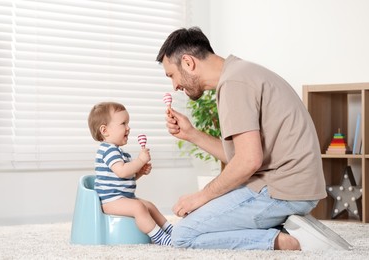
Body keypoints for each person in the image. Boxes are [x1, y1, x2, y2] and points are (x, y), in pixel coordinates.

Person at [156, 27, 351, 251]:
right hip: (290, 186)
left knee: (183, 234)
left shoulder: (233, 84)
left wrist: (201, 197)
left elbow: (249, 161)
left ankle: (279, 241)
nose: (175, 86)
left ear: (188, 63)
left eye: (172, 75)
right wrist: (191, 134)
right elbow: (241, 157)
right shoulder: (239, 73)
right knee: (203, 218)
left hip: (281, 192)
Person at [88, 101, 173, 246]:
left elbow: (126, 177)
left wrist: (139, 172)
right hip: (110, 201)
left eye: (128, 123)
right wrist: (140, 160)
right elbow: (121, 172)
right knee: (138, 208)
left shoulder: (121, 152)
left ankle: (170, 230)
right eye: (123, 124)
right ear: (105, 130)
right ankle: (159, 237)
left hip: (123, 198)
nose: (128, 128)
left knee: (149, 206)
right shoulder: (108, 150)